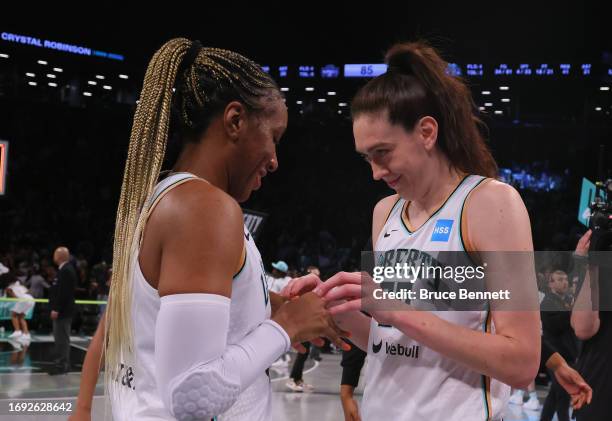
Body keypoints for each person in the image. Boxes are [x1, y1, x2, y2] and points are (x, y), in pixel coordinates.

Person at [282, 41, 542, 420]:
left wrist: (398, 312)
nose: (374, 172)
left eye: (383, 153)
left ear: (426, 132)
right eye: (366, 158)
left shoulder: (491, 203)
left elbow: (521, 362)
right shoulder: (384, 212)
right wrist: (333, 309)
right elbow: (392, 344)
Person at [103, 38, 348, 421]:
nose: (275, 160)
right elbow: (190, 396)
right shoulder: (206, 208)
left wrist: (271, 306)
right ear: (235, 121)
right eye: (274, 137)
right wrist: (286, 327)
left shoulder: (168, 197)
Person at [49, 246, 77, 375]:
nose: (53, 256)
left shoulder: (66, 270)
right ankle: (60, 363)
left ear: (60, 256)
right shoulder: (63, 270)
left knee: (62, 338)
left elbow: (63, 293)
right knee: (60, 338)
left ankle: (62, 365)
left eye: (55, 254)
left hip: (63, 312)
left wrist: (56, 308)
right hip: (62, 311)